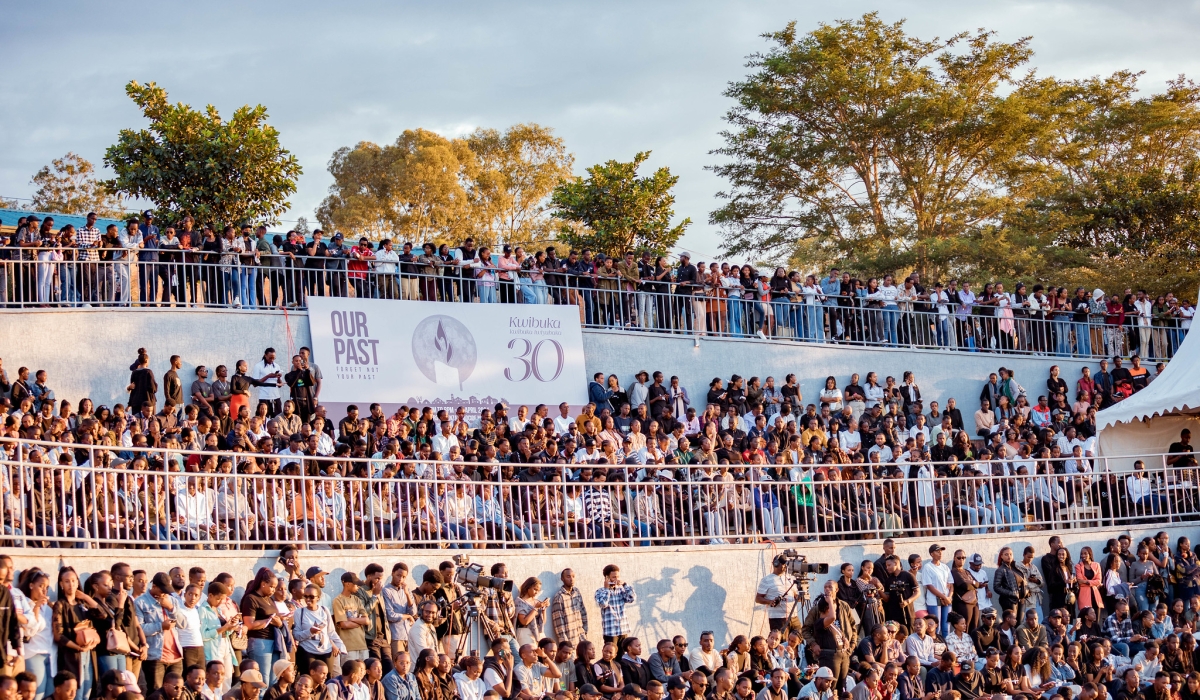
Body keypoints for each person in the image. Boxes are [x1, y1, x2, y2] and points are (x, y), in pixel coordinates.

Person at [595, 566, 636, 646]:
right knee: (611, 655)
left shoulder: (621, 590)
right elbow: (603, 604)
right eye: (614, 577)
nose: (616, 579)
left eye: (618, 577)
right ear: (607, 577)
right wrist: (607, 589)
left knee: (623, 657)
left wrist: (624, 584)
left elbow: (632, 598)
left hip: (623, 629)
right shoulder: (600, 591)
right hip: (611, 631)